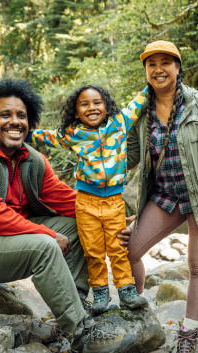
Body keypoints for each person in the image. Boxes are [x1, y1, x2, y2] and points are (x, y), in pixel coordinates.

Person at [0, 78, 134, 353]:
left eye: (21, 116)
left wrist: (118, 218)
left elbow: (70, 201)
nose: (15, 122)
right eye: (5, 115)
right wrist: (46, 235)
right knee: (44, 245)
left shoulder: (31, 159)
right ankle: (83, 336)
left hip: (8, 244)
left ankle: (76, 309)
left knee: (82, 225)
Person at [125, 40, 198, 353]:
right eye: (151, 64)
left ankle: (187, 332)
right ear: (146, 71)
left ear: (177, 67)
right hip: (163, 196)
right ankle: (135, 309)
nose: (158, 69)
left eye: (165, 62)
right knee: (130, 250)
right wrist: (100, 176)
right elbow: (131, 156)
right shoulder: (139, 109)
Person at [26, 84, 149, 315]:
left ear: (107, 106)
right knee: (92, 251)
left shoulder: (120, 123)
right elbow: (45, 136)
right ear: (76, 111)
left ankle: (126, 291)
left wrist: (153, 82)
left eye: (97, 102)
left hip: (114, 201)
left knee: (117, 248)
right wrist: (22, 133)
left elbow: (139, 101)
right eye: (84, 104)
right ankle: (101, 293)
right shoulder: (73, 134)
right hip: (86, 202)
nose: (91, 108)